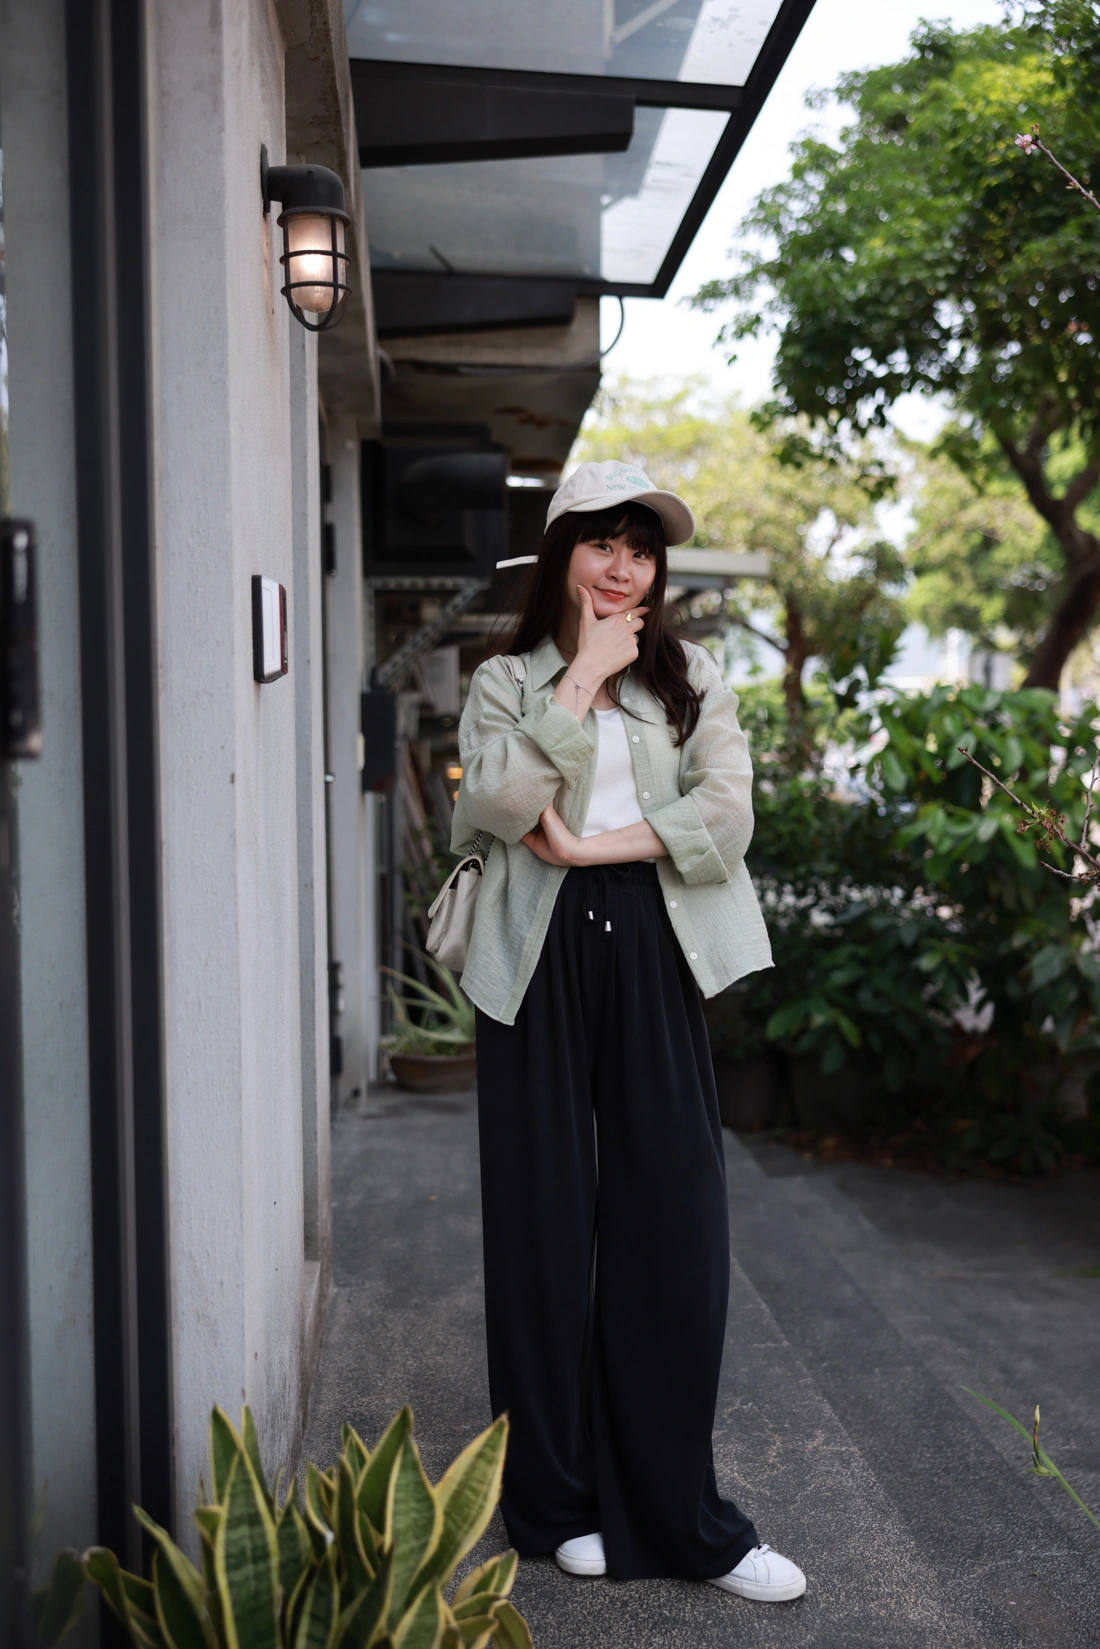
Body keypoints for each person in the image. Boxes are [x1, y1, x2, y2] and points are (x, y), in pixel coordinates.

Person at [450, 460, 806, 1603]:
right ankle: (554, 1501)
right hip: (532, 954)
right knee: (542, 1226)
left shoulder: (692, 675)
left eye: (640, 549)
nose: (622, 567)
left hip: (652, 940)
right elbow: (490, 799)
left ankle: (681, 1513)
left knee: (674, 1222)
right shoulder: (506, 679)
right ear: (560, 552)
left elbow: (725, 812)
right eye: (601, 543)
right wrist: (581, 677)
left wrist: (589, 845)